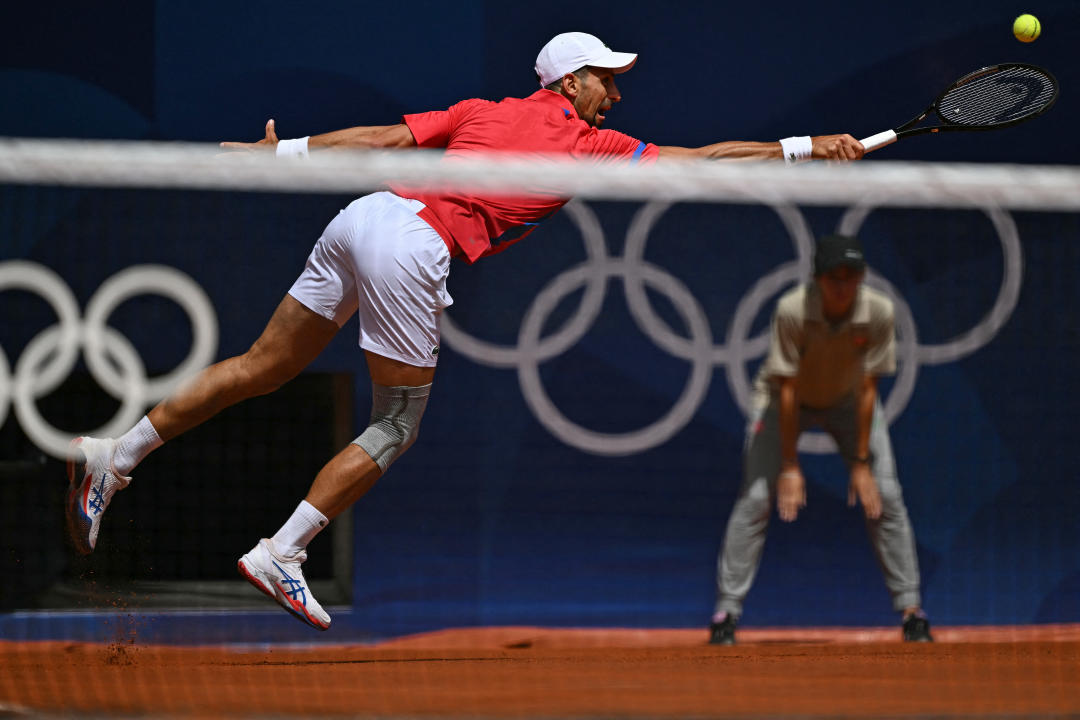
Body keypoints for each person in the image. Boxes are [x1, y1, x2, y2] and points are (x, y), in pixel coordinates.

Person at [66, 32, 867, 631]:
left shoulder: (483, 109)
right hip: (412, 247)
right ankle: (284, 550)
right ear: (573, 80)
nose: (616, 97)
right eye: (608, 82)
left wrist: (287, 154)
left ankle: (118, 455)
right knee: (397, 422)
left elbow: (382, 139)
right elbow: (705, 161)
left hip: (362, 214)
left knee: (260, 366)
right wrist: (800, 151)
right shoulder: (589, 143)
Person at [708, 234, 932, 645]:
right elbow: (788, 389)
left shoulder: (878, 311)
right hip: (783, 400)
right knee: (756, 498)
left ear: (862, 278)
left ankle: (912, 611)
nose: (843, 285)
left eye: (852, 276)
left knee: (885, 495)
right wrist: (790, 467)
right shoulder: (793, 309)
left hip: (849, 402)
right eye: (834, 277)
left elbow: (869, 388)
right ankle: (726, 613)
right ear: (818, 279)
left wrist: (861, 463)